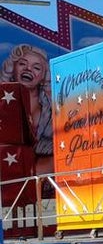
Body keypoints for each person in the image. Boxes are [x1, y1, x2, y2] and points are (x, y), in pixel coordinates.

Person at [0, 43, 53, 174]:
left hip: (43, 178)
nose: (28, 69)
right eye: (22, 64)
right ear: (13, 68)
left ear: (43, 76)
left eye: (36, 67)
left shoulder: (53, 108)